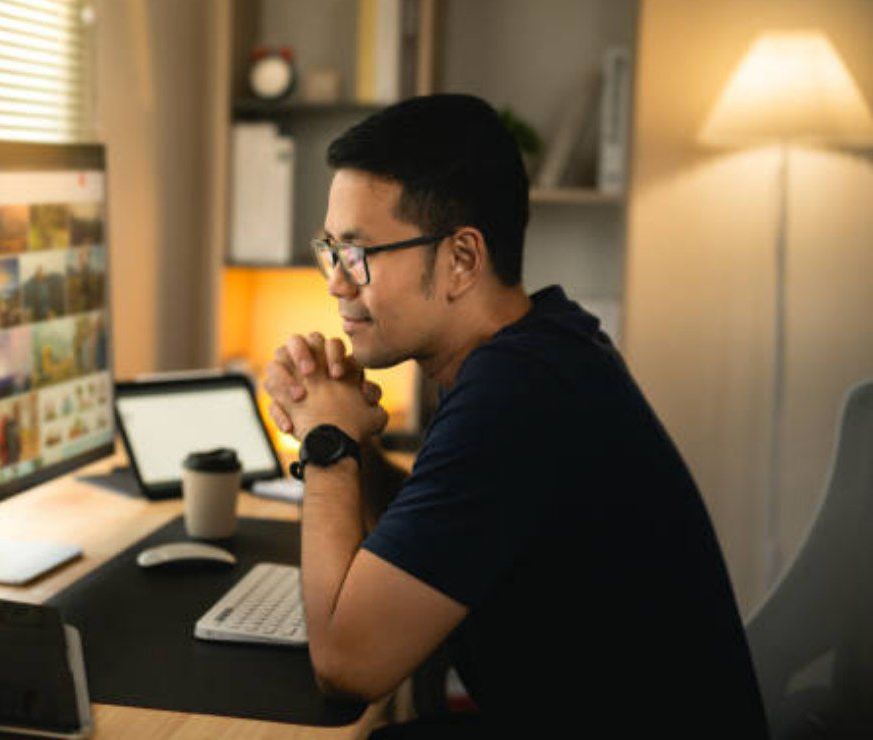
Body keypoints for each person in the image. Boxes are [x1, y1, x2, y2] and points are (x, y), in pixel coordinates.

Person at [262, 94, 767, 737]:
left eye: (358, 253)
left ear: (463, 260)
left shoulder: (516, 397)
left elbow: (348, 663)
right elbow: (437, 535)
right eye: (330, 249)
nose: (336, 281)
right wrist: (349, 445)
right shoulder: (543, 346)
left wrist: (328, 444)